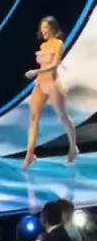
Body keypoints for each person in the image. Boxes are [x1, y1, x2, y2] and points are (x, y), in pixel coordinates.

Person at [23, 16, 78, 169]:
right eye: (42, 29)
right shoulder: (43, 46)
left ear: (53, 28)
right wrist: (37, 74)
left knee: (63, 117)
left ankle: (73, 148)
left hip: (52, 85)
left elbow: (54, 65)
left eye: (46, 28)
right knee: (34, 118)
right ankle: (29, 154)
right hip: (40, 85)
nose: (43, 31)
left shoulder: (58, 44)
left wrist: (35, 71)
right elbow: (44, 66)